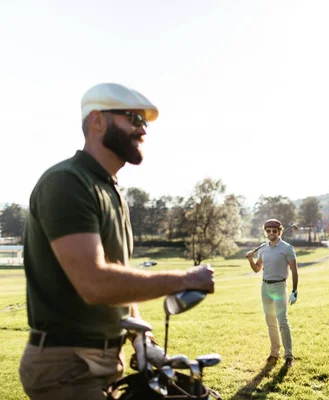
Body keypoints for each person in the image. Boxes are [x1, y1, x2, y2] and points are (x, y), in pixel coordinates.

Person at [18, 83, 215, 400]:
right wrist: (185, 279)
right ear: (97, 121)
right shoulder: (67, 182)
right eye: (133, 120)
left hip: (109, 362)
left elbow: (118, 275)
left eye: (144, 123)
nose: (142, 131)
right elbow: (96, 284)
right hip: (67, 367)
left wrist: (141, 339)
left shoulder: (111, 190)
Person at [246, 219, 298, 367]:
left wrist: (295, 290)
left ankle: (289, 356)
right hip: (265, 287)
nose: (271, 233)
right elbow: (257, 268)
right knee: (270, 322)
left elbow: (294, 270)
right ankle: (274, 353)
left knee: (282, 321)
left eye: (274, 231)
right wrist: (250, 259)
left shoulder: (287, 248)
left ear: (279, 231)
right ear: (265, 232)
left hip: (280, 287)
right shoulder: (263, 249)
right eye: (268, 231)